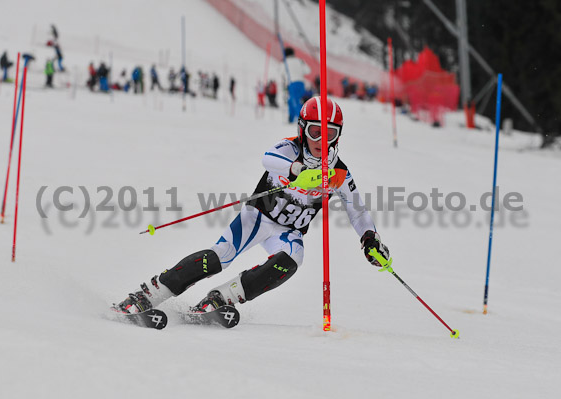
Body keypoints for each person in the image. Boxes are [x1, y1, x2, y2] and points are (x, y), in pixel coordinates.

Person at [111, 97, 392, 319]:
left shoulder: (338, 172)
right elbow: (268, 159)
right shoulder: (289, 149)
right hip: (258, 217)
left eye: (329, 133)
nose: (321, 141)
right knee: (219, 258)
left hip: (289, 230)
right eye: (315, 132)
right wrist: (296, 170)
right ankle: (148, 294)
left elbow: (357, 210)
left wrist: (369, 239)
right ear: (302, 130)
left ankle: (222, 297)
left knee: (291, 261)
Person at [283, 47, 310, 123]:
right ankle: (291, 118)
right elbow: (308, 70)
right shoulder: (299, 61)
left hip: (292, 83)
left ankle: (302, 119)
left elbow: (281, 72)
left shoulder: (286, 62)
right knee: (293, 100)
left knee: (295, 101)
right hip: (301, 83)